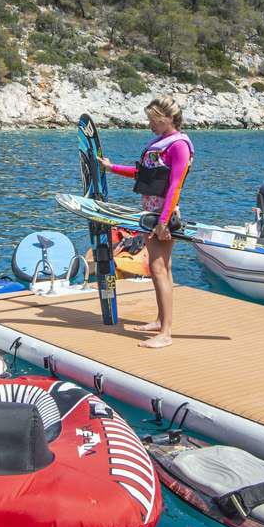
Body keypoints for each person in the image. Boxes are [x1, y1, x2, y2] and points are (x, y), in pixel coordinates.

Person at [99, 95, 194, 349]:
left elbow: (175, 184)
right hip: (152, 215)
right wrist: (111, 168)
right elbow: (143, 174)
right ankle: (160, 320)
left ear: (166, 118)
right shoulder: (160, 142)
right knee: (159, 268)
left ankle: (166, 333)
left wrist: (163, 221)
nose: (149, 125)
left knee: (159, 269)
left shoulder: (179, 145)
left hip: (164, 216)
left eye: (153, 120)